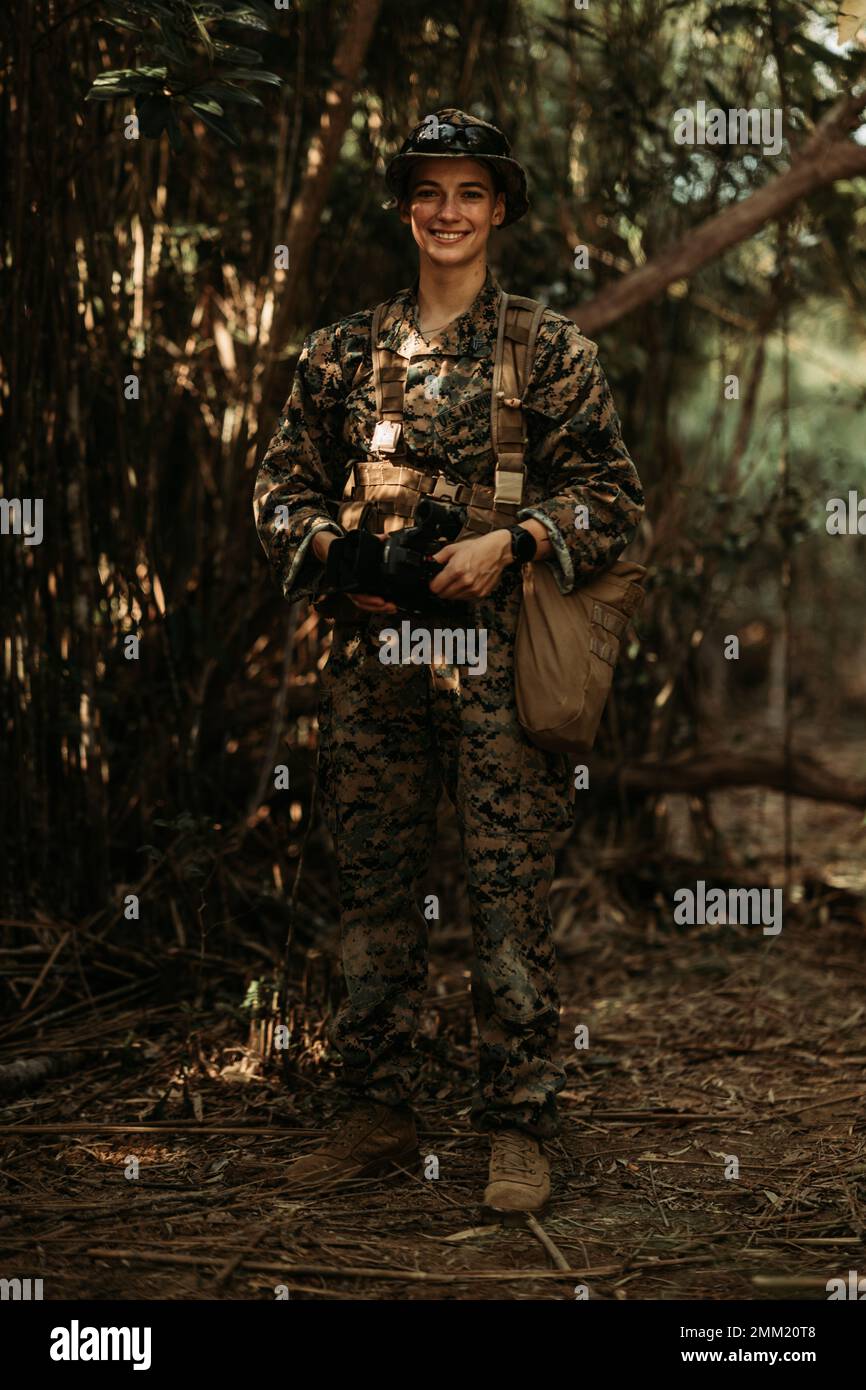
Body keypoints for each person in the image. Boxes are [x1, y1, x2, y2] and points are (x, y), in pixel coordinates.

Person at [253, 107, 644, 1215]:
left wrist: (510, 543)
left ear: (501, 208)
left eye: (468, 193)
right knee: (372, 877)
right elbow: (277, 490)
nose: (445, 212)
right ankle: (375, 1106)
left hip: (501, 654)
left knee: (505, 889)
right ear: (403, 208)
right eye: (427, 192)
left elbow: (611, 496)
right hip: (379, 655)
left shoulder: (550, 348)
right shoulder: (340, 351)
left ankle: (517, 1121)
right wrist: (337, 552)